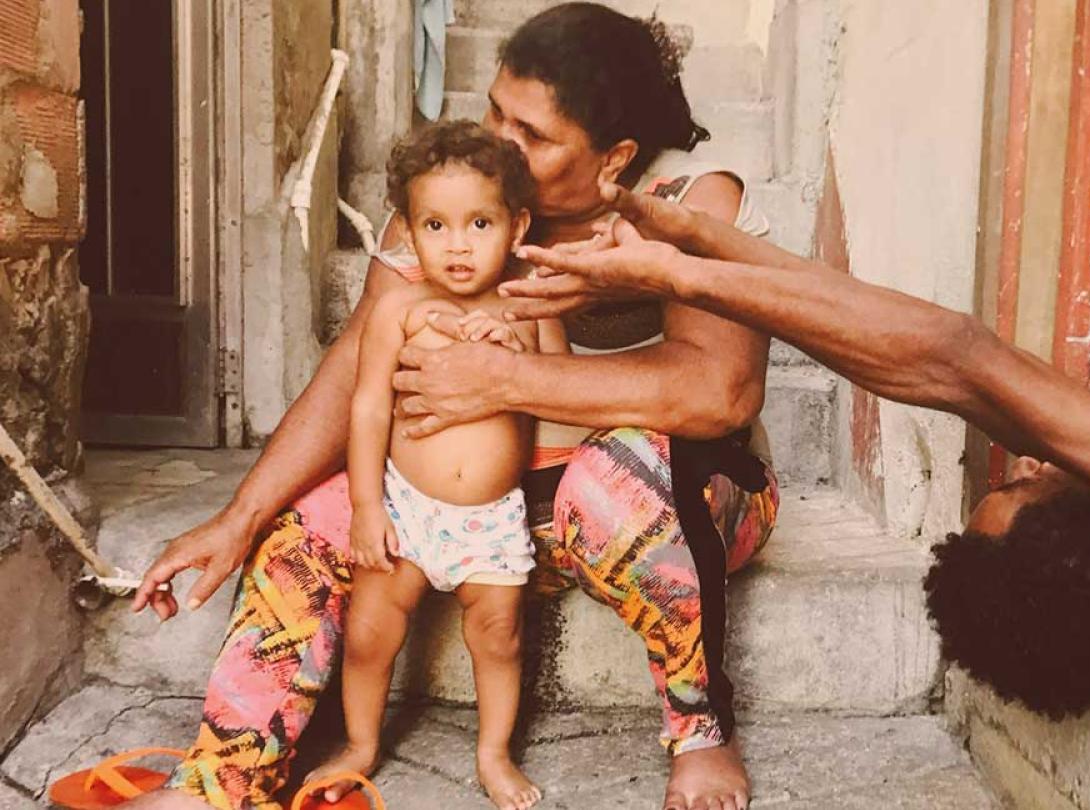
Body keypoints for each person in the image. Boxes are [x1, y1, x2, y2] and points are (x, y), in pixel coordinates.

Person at [126, 5, 777, 810]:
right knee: (309, 521)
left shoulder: (687, 197)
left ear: (615, 158)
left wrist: (502, 381)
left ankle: (701, 727)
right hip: (482, 508)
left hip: (676, 503)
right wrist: (242, 513)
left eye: (532, 134)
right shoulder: (453, 199)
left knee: (620, 475)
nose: (500, 140)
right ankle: (223, 778)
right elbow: (357, 367)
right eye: (495, 109)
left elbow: (720, 393)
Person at [503, 179, 1090, 719]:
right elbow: (955, 361)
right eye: (1024, 487)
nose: (1027, 461)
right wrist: (686, 256)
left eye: (1018, 480)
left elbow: (954, 368)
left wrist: (686, 257)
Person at [302, 121, 560, 810]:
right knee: (369, 632)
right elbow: (367, 411)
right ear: (409, 236)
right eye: (436, 225)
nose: (459, 244)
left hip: (492, 519)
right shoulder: (401, 308)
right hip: (406, 508)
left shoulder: (528, 306)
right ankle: (360, 743)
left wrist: (514, 352)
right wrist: (365, 507)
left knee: (499, 636)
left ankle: (493, 753)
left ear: (517, 224)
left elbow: (566, 401)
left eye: (480, 222)